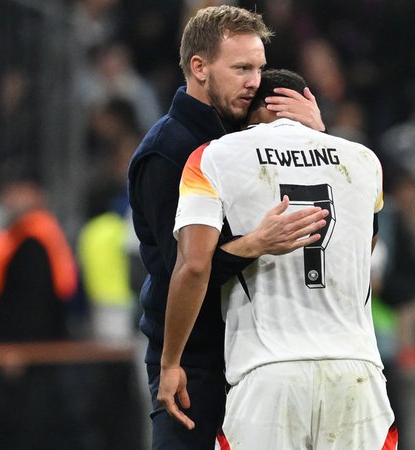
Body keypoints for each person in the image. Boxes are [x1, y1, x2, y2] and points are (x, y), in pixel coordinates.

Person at [158, 68, 398, 449]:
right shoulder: (363, 160)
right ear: (307, 103)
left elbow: (194, 266)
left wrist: (170, 362)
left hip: (267, 376)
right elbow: (361, 249)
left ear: (249, 109)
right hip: (357, 374)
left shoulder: (213, 157)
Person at [127, 6, 328, 449]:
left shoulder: (249, 136)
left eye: (258, 67)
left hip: (262, 354)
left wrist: (317, 139)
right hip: (194, 360)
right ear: (199, 68)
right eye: (241, 68)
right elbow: (178, 269)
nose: (255, 81)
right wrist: (253, 245)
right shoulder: (168, 152)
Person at [0, 176, 80, 449]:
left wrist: (16, 348)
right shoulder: (21, 238)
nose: (10, 197)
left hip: (25, 358)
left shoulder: (32, 242)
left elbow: (32, 304)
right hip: (19, 354)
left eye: (19, 190)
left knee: (23, 430)